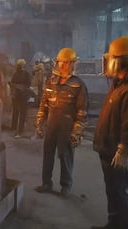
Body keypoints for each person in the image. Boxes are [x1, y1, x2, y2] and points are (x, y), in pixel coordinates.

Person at [91, 36, 128, 229]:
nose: (108, 62)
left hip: (119, 153)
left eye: (111, 58)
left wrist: (125, 150)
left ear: (122, 59)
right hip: (108, 149)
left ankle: (126, 227)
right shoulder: (119, 83)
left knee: (119, 192)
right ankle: (114, 224)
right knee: (113, 191)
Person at [34, 48, 89, 196]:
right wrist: (39, 122)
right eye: (61, 62)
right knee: (48, 154)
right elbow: (43, 105)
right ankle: (46, 183)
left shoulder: (78, 85)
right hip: (52, 123)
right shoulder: (51, 82)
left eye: (67, 63)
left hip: (67, 125)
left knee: (65, 155)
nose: (63, 66)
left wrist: (77, 132)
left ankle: (66, 185)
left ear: (72, 64)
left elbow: (82, 112)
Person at [10, 58, 31, 138]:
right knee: (21, 112)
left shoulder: (16, 74)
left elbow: (12, 83)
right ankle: (19, 129)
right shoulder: (25, 74)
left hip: (18, 95)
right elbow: (28, 84)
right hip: (21, 95)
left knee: (16, 112)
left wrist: (16, 88)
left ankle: (14, 127)